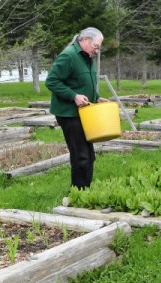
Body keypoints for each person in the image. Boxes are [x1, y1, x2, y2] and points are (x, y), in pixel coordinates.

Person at [45, 27, 109, 189]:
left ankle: (86, 189)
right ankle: (79, 194)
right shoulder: (69, 56)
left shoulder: (86, 57)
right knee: (81, 156)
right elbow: (51, 81)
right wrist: (73, 96)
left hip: (85, 113)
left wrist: (96, 97)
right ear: (86, 40)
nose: (97, 50)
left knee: (89, 155)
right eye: (96, 45)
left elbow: (82, 82)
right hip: (69, 114)